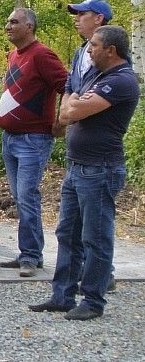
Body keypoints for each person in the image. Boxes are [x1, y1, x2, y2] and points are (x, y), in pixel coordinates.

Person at [29, 26, 139, 320]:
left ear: (111, 50)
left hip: (99, 169)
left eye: (94, 46)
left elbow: (72, 112)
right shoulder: (95, 76)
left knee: (95, 237)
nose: (88, 51)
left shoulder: (121, 80)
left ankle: (93, 301)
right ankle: (62, 296)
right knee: (67, 233)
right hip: (76, 166)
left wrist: (73, 103)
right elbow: (66, 107)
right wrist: (72, 101)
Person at [0, 8, 68, 277]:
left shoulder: (42, 55)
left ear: (30, 26)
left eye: (14, 22)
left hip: (33, 139)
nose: (8, 26)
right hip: (10, 138)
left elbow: (67, 86)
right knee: (20, 197)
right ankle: (29, 252)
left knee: (27, 196)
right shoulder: (14, 55)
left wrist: (62, 120)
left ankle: (30, 256)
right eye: (7, 21)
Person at [64, 0, 117, 291]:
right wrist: (69, 109)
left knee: (96, 224)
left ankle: (101, 276)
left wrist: (73, 108)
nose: (76, 19)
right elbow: (70, 90)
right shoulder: (79, 53)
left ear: (98, 18)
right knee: (72, 226)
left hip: (99, 155)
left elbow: (84, 104)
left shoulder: (111, 59)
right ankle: (77, 278)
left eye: (81, 14)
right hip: (77, 150)